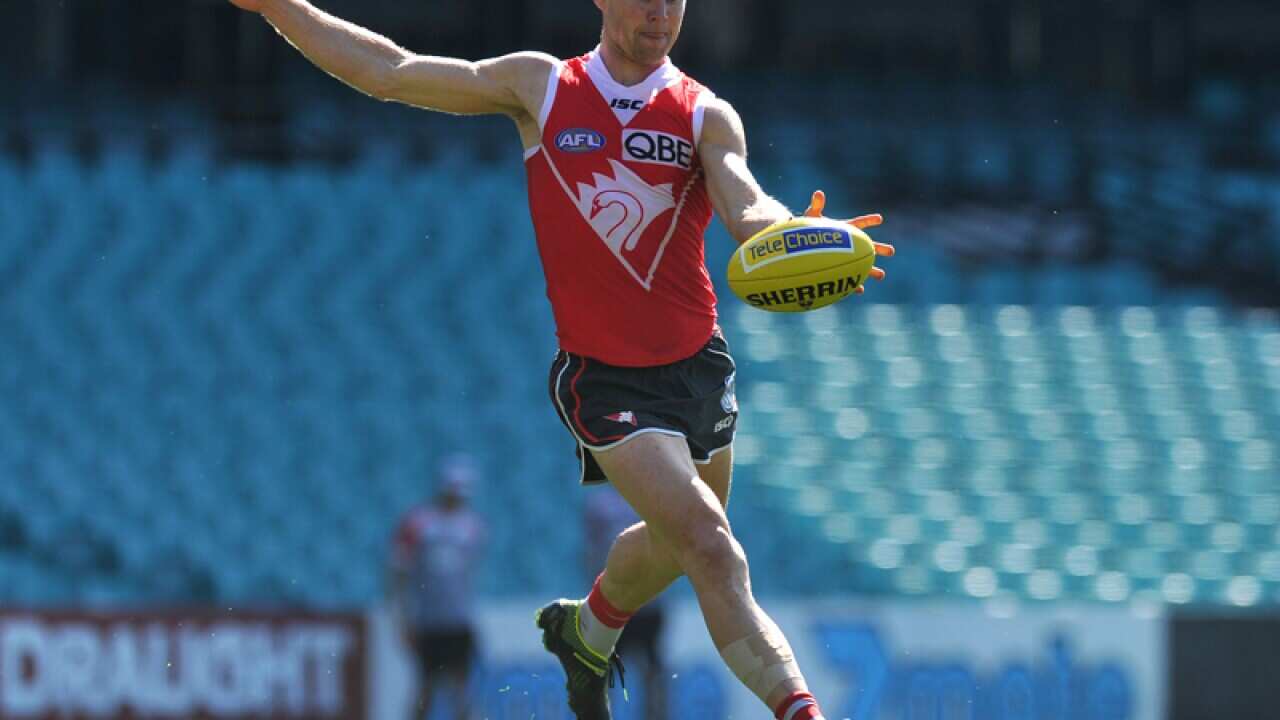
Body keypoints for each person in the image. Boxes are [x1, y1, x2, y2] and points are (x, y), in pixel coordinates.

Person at [226, 1, 894, 718]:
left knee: (678, 546)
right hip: (604, 379)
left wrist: (795, 231)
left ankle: (588, 626)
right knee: (713, 547)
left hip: (700, 366)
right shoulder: (540, 87)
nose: (662, 13)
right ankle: (801, 710)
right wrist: (280, 7)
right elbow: (389, 72)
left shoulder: (706, 114)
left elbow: (747, 206)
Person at [389, 455, 487, 720]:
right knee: (425, 689)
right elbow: (398, 572)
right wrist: (403, 617)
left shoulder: (472, 526)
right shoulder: (418, 523)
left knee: (462, 690)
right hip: (429, 620)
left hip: (458, 618)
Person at [584, 486, 668, 720]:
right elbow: (590, 552)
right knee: (603, 671)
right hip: (616, 602)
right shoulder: (600, 503)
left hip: (645, 602)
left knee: (652, 673)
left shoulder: (651, 499)